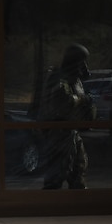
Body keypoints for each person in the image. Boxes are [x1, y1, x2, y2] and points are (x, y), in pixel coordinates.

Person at [35, 43, 93, 189]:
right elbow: (62, 103)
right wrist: (82, 99)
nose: (84, 66)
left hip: (72, 131)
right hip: (58, 132)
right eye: (81, 62)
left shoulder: (75, 80)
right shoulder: (58, 78)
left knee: (79, 168)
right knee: (56, 173)